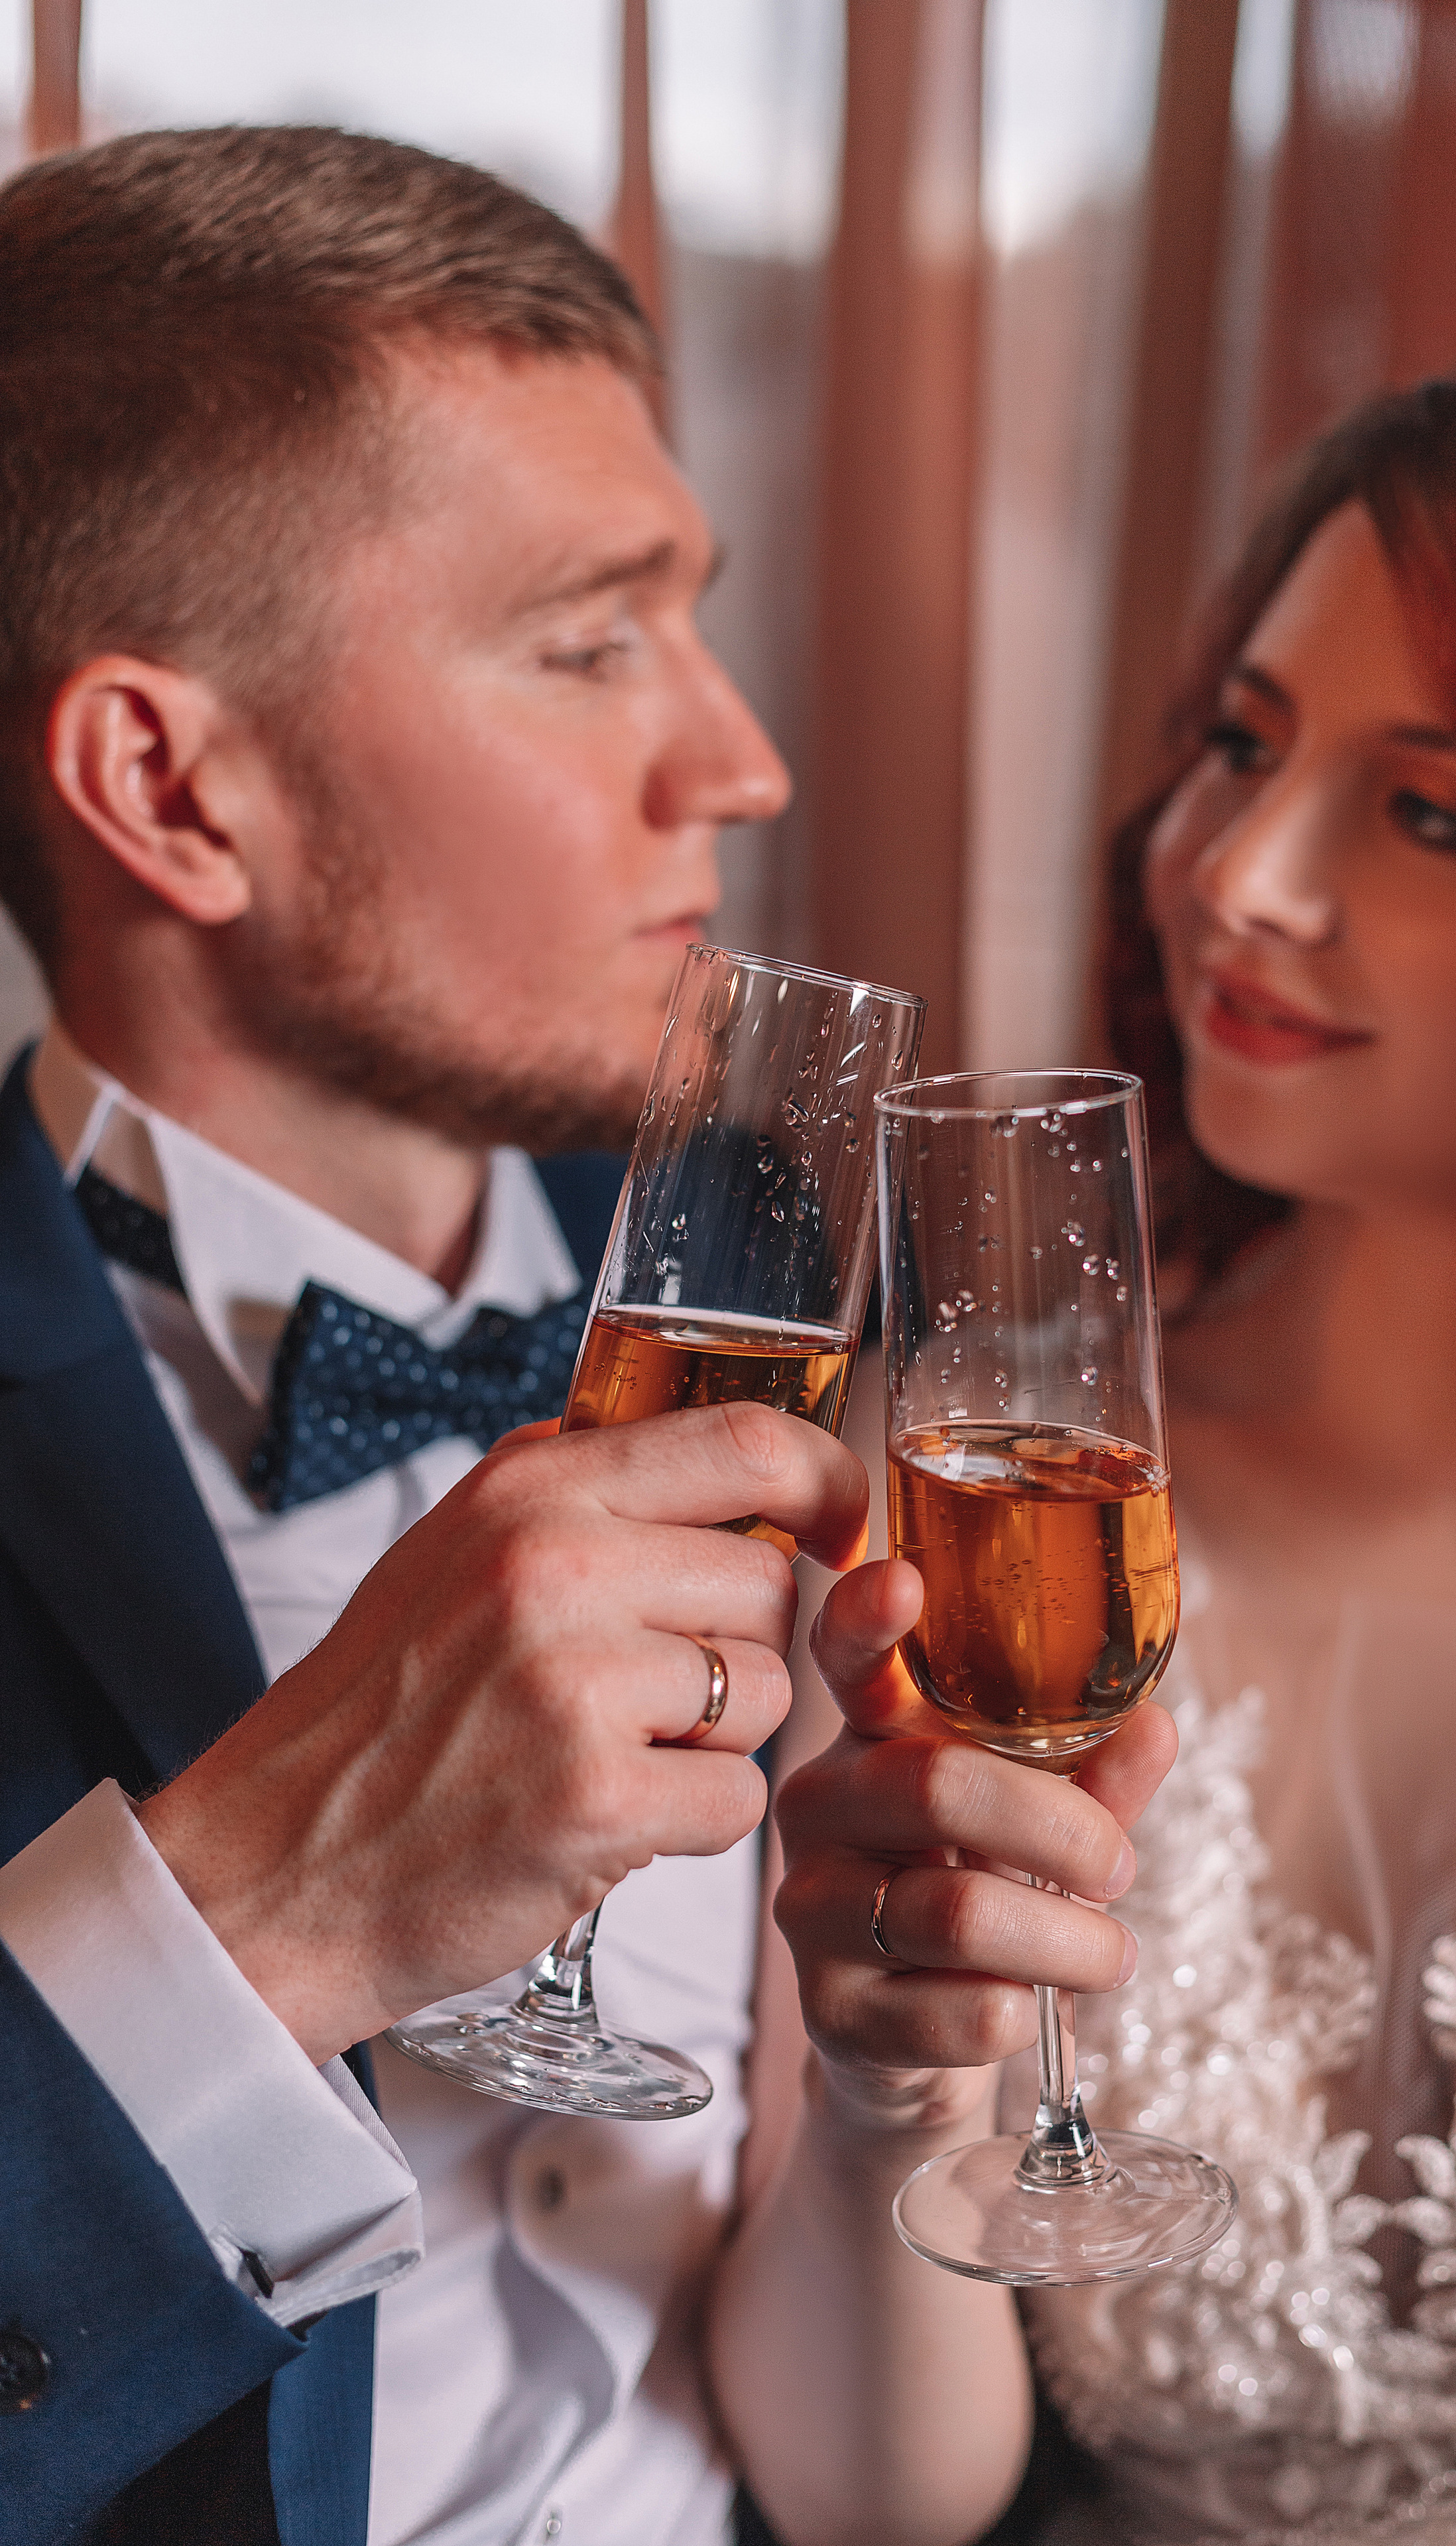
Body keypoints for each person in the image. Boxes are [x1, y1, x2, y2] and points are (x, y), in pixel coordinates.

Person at [0, 124, 1174, 2546]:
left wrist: (877, 2087)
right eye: (586, 638)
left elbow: (860, 2496)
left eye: (694, 617)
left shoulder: (780, 1354)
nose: (733, 759)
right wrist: (261, 1914)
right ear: (167, 787)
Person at [726, 337, 1456, 2546]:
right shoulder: (972, 1497)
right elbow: (869, 2505)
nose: (1240, 872)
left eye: (1431, 809)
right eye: (1241, 747)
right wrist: (892, 2099)